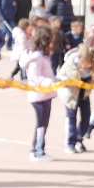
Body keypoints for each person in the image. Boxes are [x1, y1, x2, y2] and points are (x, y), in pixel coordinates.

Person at [20, 26, 58, 161]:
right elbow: (34, 77)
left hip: (46, 95)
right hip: (39, 96)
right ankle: (36, 151)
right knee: (41, 124)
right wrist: (49, 83)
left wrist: (59, 81)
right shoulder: (37, 57)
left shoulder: (44, 56)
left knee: (44, 123)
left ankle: (40, 149)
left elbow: (47, 75)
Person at [57, 43, 94, 154]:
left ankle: (79, 140)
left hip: (84, 94)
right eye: (84, 65)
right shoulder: (70, 63)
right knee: (71, 118)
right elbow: (60, 76)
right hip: (70, 95)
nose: (86, 67)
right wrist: (67, 82)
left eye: (88, 65)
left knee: (86, 116)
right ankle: (70, 143)